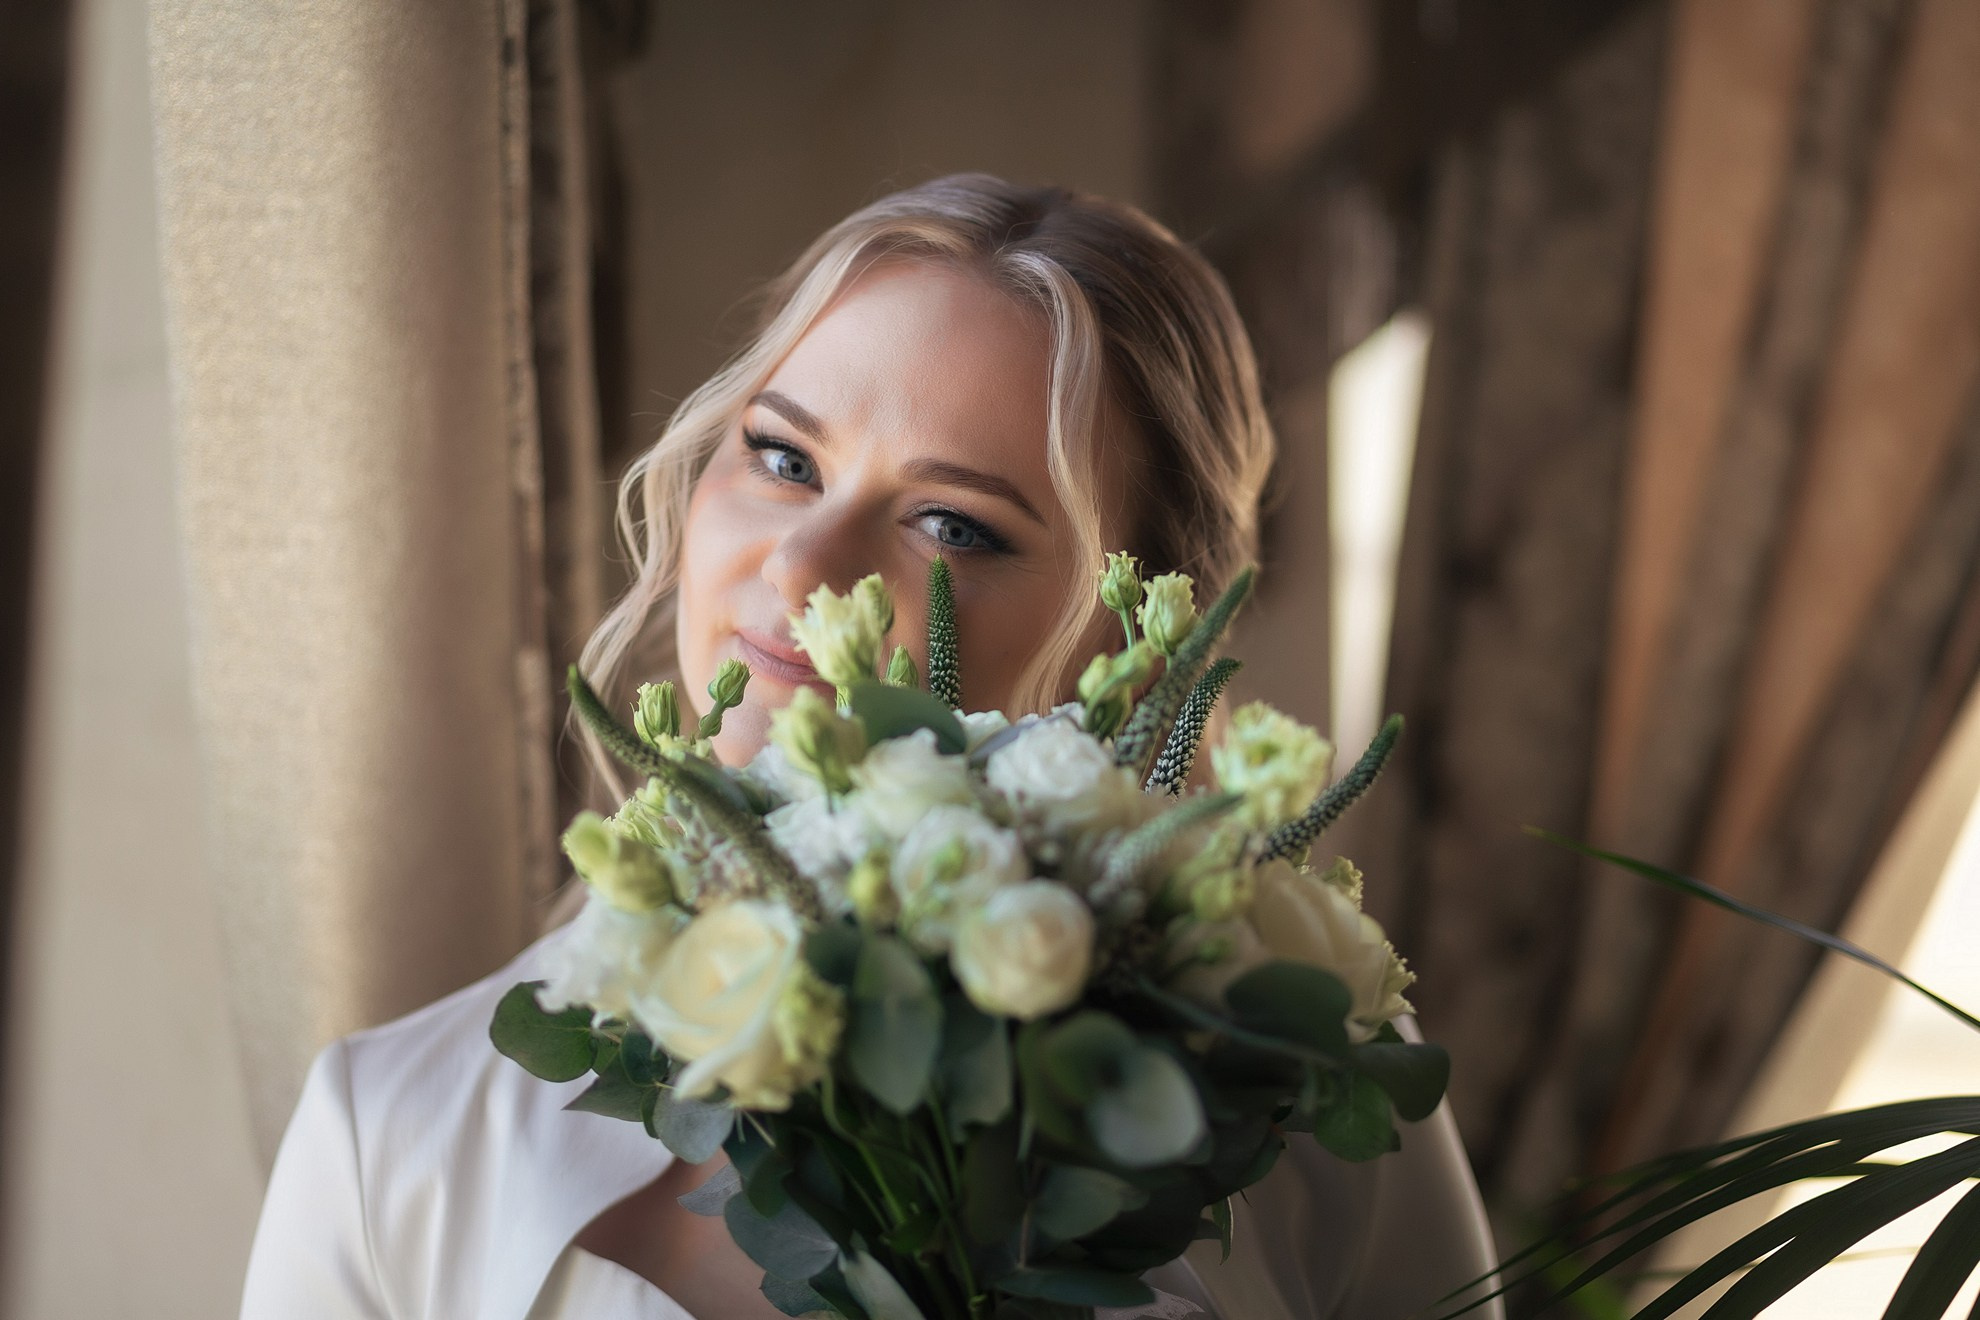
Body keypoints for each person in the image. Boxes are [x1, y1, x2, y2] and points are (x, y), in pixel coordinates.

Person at [239, 174, 1502, 1320]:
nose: (800, 563)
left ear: (1141, 636)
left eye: (952, 526)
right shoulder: (392, 1138)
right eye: (782, 456)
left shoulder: (1306, 1099)